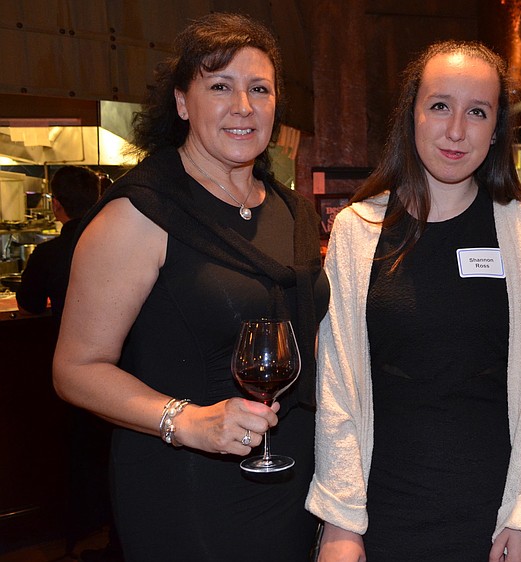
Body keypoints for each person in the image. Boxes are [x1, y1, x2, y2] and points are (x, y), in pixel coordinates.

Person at [52, 12, 329, 562]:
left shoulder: (294, 213)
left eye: (259, 89)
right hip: (187, 486)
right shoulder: (140, 213)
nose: (243, 107)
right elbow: (75, 369)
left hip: (296, 477)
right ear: (182, 103)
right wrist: (186, 421)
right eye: (220, 87)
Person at [306, 40, 521, 562]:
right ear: (412, 115)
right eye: (440, 106)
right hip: (382, 516)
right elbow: (335, 383)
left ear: (495, 130)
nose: (456, 130)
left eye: (477, 112)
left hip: (498, 521)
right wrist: (340, 522)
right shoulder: (358, 230)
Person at [16, 165, 100, 320]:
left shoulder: (47, 254)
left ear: (56, 204)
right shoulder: (119, 244)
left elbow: (29, 308)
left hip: (69, 340)